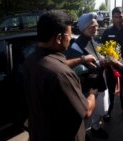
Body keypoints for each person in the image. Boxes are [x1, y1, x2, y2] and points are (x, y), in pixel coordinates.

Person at [23, 10, 98, 141]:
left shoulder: (30, 60)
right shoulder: (62, 75)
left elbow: (56, 64)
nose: (70, 38)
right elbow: (86, 111)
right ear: (58, 38)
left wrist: (81, 59)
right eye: (69, 34)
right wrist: (92, 94)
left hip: (39, 132)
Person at [65, 12, 109, 139]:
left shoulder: (92, 40)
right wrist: (90, 66)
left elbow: (97, 58)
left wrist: (104, 62)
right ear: (83, 28)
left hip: (98, 81)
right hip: (86, 86)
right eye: (92, 27)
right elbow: (76, 69)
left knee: (98, 111)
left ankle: (95, 128)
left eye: (96, 26)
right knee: (84, 112)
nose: (95, 28)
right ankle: (83, 133)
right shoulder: (76, 45)